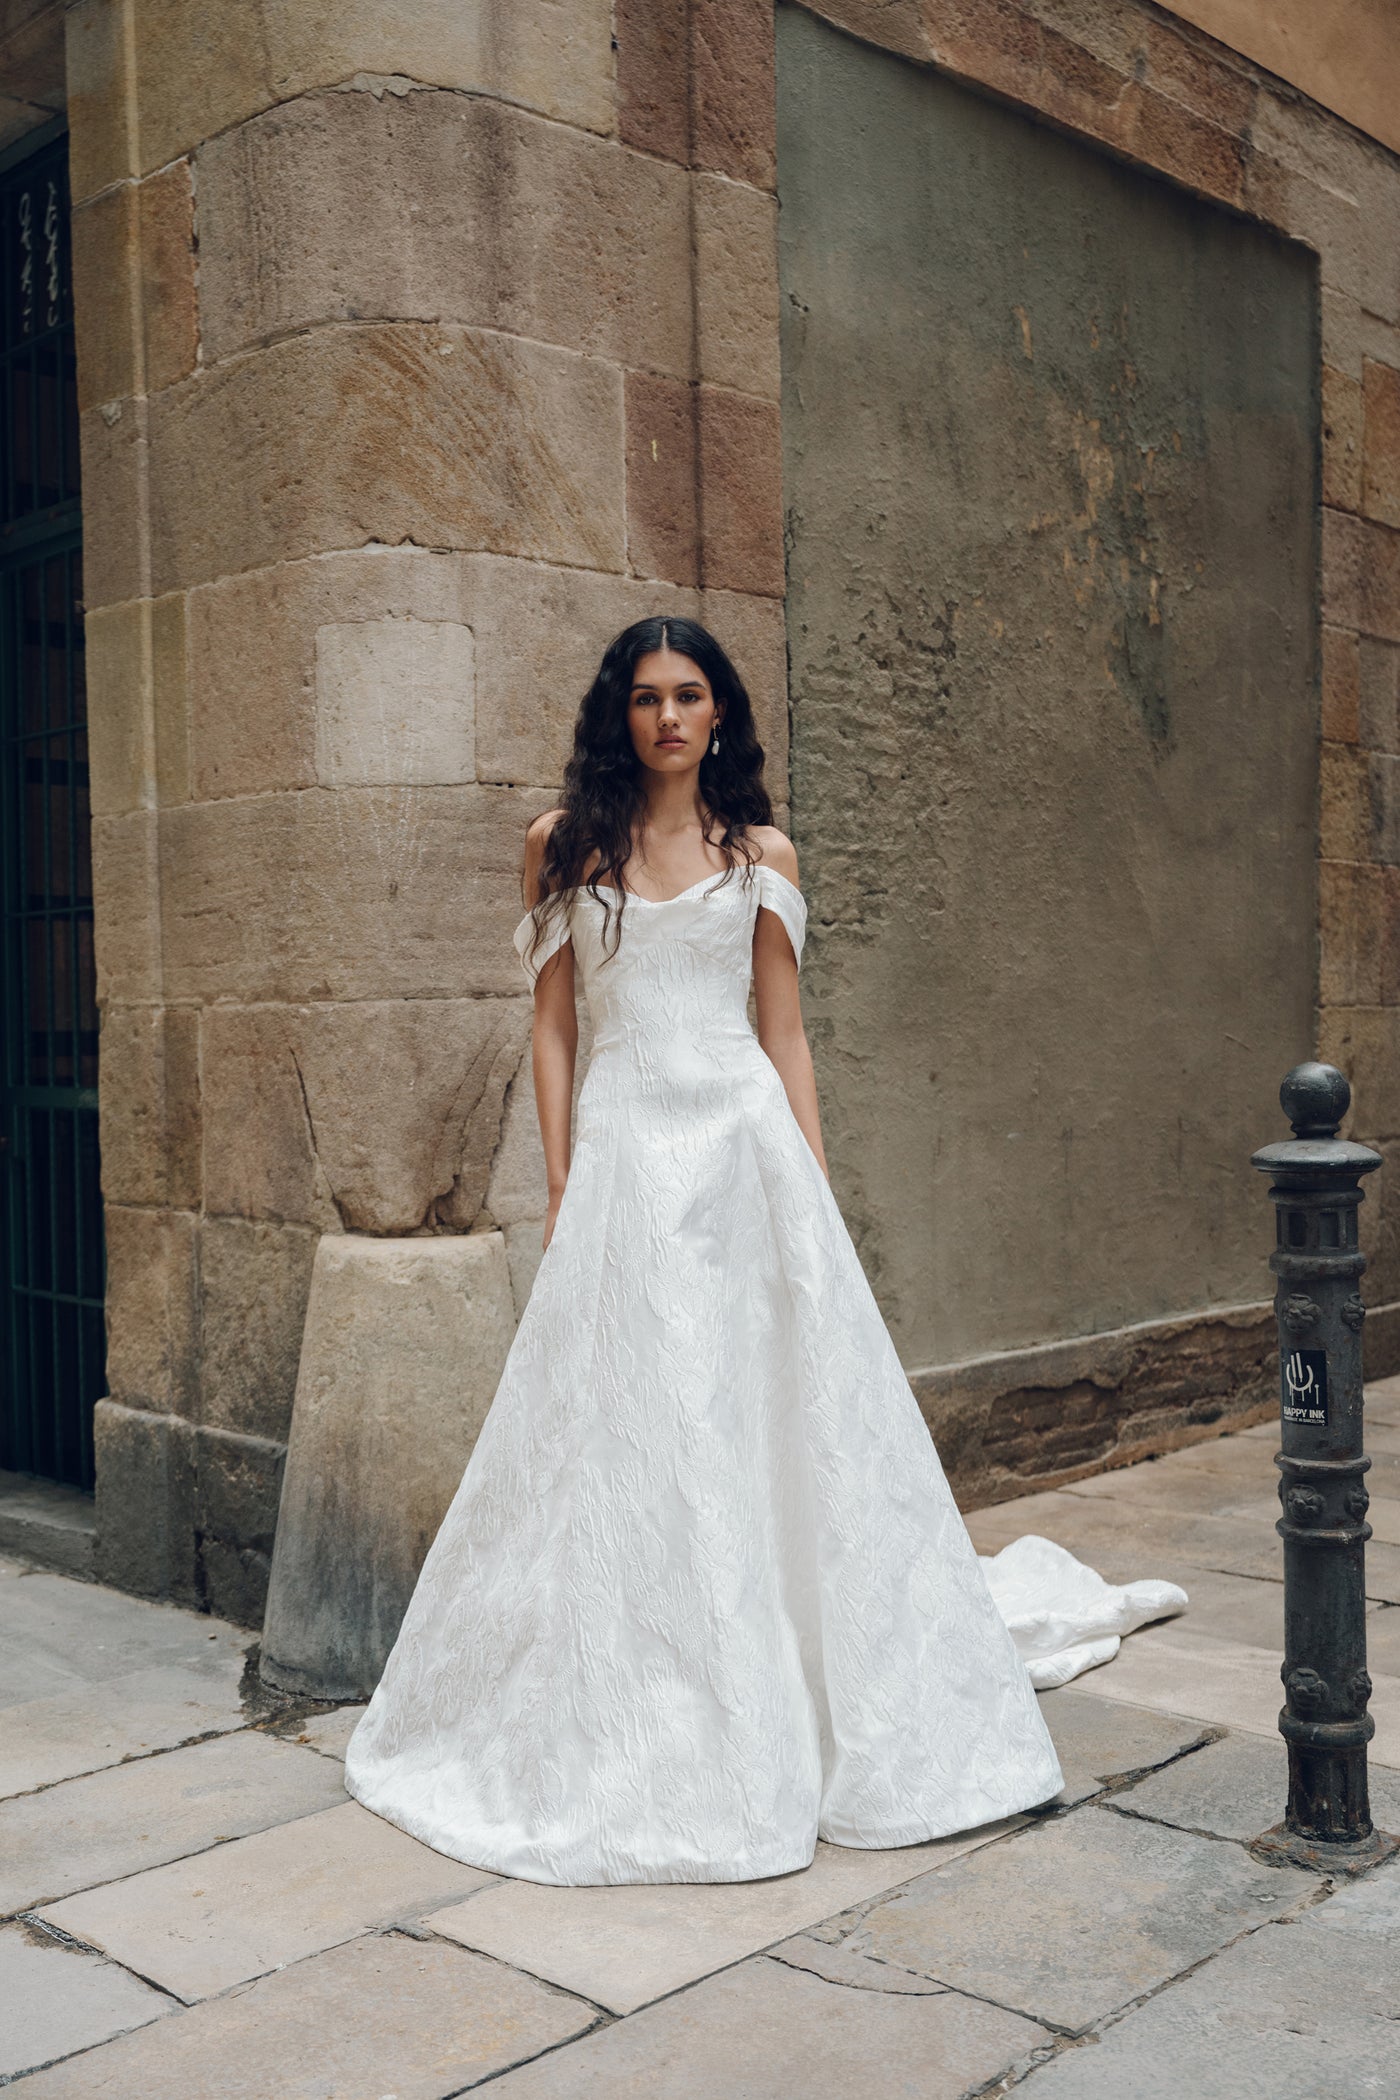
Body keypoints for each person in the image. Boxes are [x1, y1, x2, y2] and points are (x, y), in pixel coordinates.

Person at [344, 616, 1166, 1886]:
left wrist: (810, 1179)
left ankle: (801, 1681)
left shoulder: (760, 853)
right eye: (643, 698)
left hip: (740, 1150)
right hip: (624, 1150)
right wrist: (564, 1184)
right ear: (615, 716)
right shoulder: (560, 850)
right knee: (634, 1419)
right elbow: (554, 1031)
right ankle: (658, 1687)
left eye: (688, 695)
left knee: (763, 1409)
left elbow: (782, 1033)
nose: (666, 717)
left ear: (718, 713)